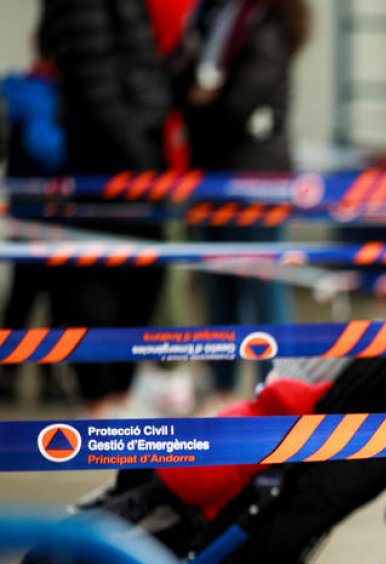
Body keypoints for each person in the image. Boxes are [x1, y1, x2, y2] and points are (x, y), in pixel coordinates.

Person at [41, 0, 173, 417]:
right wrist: (141, 161)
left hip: (128, 154)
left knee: (142, 276)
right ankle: (101, 399)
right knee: (98, 283)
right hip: (108, 158)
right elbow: (94, 80)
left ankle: (119, 394)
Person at [178, 0, 308, 411]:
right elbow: (182, 75)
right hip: (214, 175)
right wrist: (194, 94)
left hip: (256, 179)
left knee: (262, 287)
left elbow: (238, 103)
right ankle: (221, 389)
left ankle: (280, 387)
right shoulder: (213, 18)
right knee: (221, 287)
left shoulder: (263, 23)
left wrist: (202, 101)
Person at [0, 24, 68, 404]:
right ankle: (43, 375)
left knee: (25, 298)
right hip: (46, 216)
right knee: (45, 299)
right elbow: (45, 149)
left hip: (31, 215)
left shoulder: (17, 88)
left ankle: (17, 372)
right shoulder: (45, 94)